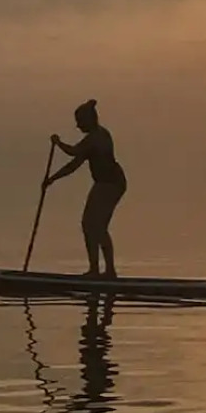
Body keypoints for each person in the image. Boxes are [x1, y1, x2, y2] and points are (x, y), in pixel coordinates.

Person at [44, 99, 127, 278]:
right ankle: (97, 270)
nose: (78, 126)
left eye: (80, 122)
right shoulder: (92, 139)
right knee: (92, 226)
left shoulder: (98, 137)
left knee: (95, 226)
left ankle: (105, 271)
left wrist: (58, 143)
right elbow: (74, 165)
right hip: (105, 183)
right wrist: (52, 179)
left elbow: (73, 152)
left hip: (111, 183)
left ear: (89, 120)